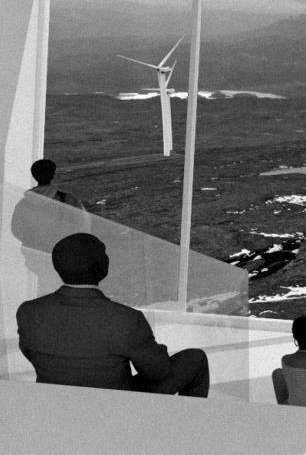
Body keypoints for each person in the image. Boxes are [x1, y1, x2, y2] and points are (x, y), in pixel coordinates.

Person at [16, 233, 210, 397]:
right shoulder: (126, 319)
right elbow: (158, 372)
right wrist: (159, 349)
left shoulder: (28, 312)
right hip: (115, 408)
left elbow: (30, 353)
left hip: (55, 403)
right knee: (195, 359)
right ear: (101, 266)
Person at [11, 159, 91, 296]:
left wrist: (34, 241)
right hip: (63, 257)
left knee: (44, 287)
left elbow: (16, 230)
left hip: (35, 257)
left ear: (34, 175)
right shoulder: (68, 200)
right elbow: (84, 228)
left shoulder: (24, 203)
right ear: (53, 174)